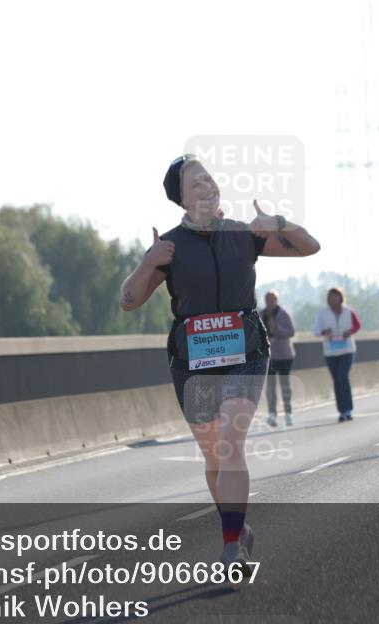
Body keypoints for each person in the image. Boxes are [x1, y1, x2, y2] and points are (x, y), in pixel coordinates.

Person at [119, 154, 320, 574]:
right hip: (192, 363)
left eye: (209, 178)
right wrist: (147, 261)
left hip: (246, 352)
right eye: (196, 184)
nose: (207, 186)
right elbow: (129, 301)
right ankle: (238, 528)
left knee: (230, 445)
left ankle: (231, 548)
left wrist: (279, 222)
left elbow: (309, 247)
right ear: (181, 198)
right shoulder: (170, 246)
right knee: (214, 456)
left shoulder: (244, 235)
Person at [314, 287, 361, 422]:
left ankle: (348, 409)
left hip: (347, 350)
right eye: (331, 297)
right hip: (331, 351)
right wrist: (324, 332)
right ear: (328, 299)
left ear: (341, 297)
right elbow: (316, 330)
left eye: (336, 296)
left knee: (343, 377)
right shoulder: (323, 313)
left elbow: (357, 325)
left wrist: (349, 332)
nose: (334, 299)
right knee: (337, 380)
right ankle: (341, 411)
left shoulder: (349, 311)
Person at [262, 290, 296, 428]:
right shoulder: (261, 314)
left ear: (277, 300)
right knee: (270, 386)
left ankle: (288, 414)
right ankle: (272, 414)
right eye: (268, 299)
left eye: (272, 299)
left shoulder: (283, 314)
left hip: (284, 355)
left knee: (285, 385)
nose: (270, 302)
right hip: (269, 356)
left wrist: (278, 329)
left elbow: (291, 332)